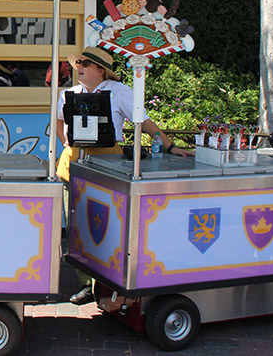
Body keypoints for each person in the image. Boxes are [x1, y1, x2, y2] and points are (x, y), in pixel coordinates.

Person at [56, 46, 191, 305]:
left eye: (86, 63)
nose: (79, 66)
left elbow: (143, 121)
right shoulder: (69, 94)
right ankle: (85, 285)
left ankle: (104, 284)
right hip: (72, 165)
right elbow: (59, 120)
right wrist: (65, 141)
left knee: (106, 227)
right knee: (77, 228)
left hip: (107, 166)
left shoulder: (120, 92)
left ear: (101, 70)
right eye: (79, 63)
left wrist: (169, 146)